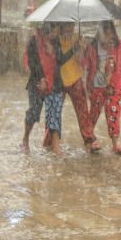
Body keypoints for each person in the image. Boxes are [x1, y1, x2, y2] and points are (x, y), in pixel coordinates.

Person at [83, 20, 121, 155]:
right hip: (96, 85)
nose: (107, 38)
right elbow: (85, 65)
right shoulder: (92, 47)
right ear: (99, 34)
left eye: (110, 34)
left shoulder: (118, 46)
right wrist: (79, 49)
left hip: (113, 86)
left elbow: (120, 66)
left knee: (113, 112)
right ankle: (90, 140)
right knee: (94, 113)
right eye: (104, 34)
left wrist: (110, 81)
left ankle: (115, 143)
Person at [21, 22, 64, 155]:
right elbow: (33, 63)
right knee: (33, 113)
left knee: (55, 115)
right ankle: (25, 139)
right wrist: (41, 79)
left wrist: (74, 49)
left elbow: (60, 60)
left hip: (54, 84)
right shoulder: (33, 42)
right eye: (54, 32)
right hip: (37, 84)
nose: (56, 34)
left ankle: (56, 149)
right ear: (47, 32)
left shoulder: (56, 42)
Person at [57, 23, 99, 152]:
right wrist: (73, 48)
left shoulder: (76, 37)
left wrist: (81, 49)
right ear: (61, 26)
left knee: (83, 112)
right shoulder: (55, 39)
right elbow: (59, 60)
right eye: (67, 26)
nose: (70, 28)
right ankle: (50, 142)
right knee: (55, 113)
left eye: (72, 26)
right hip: (59, 80)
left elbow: (81, 60)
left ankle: (89, 140)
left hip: (76, 78)